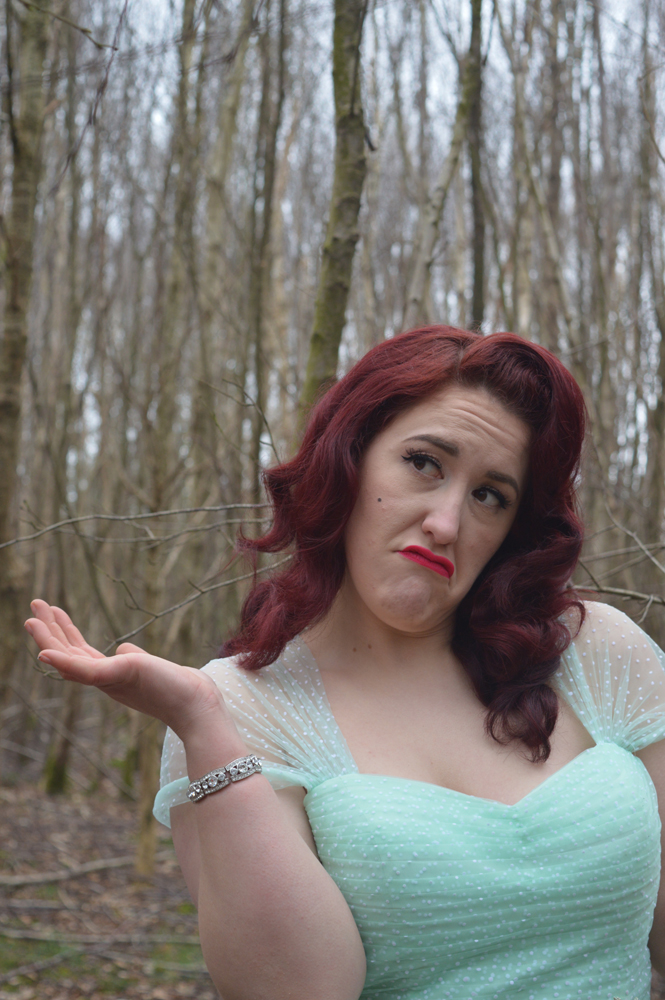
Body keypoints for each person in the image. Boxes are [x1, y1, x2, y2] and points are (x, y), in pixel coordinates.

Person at [25, 325, 665, 1000]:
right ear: (348, 461)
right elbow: (298, 989)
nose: (446, 522)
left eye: (489, 495)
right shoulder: (237, 709)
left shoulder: (596, 653)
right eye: (424, 463)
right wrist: (202, 726)